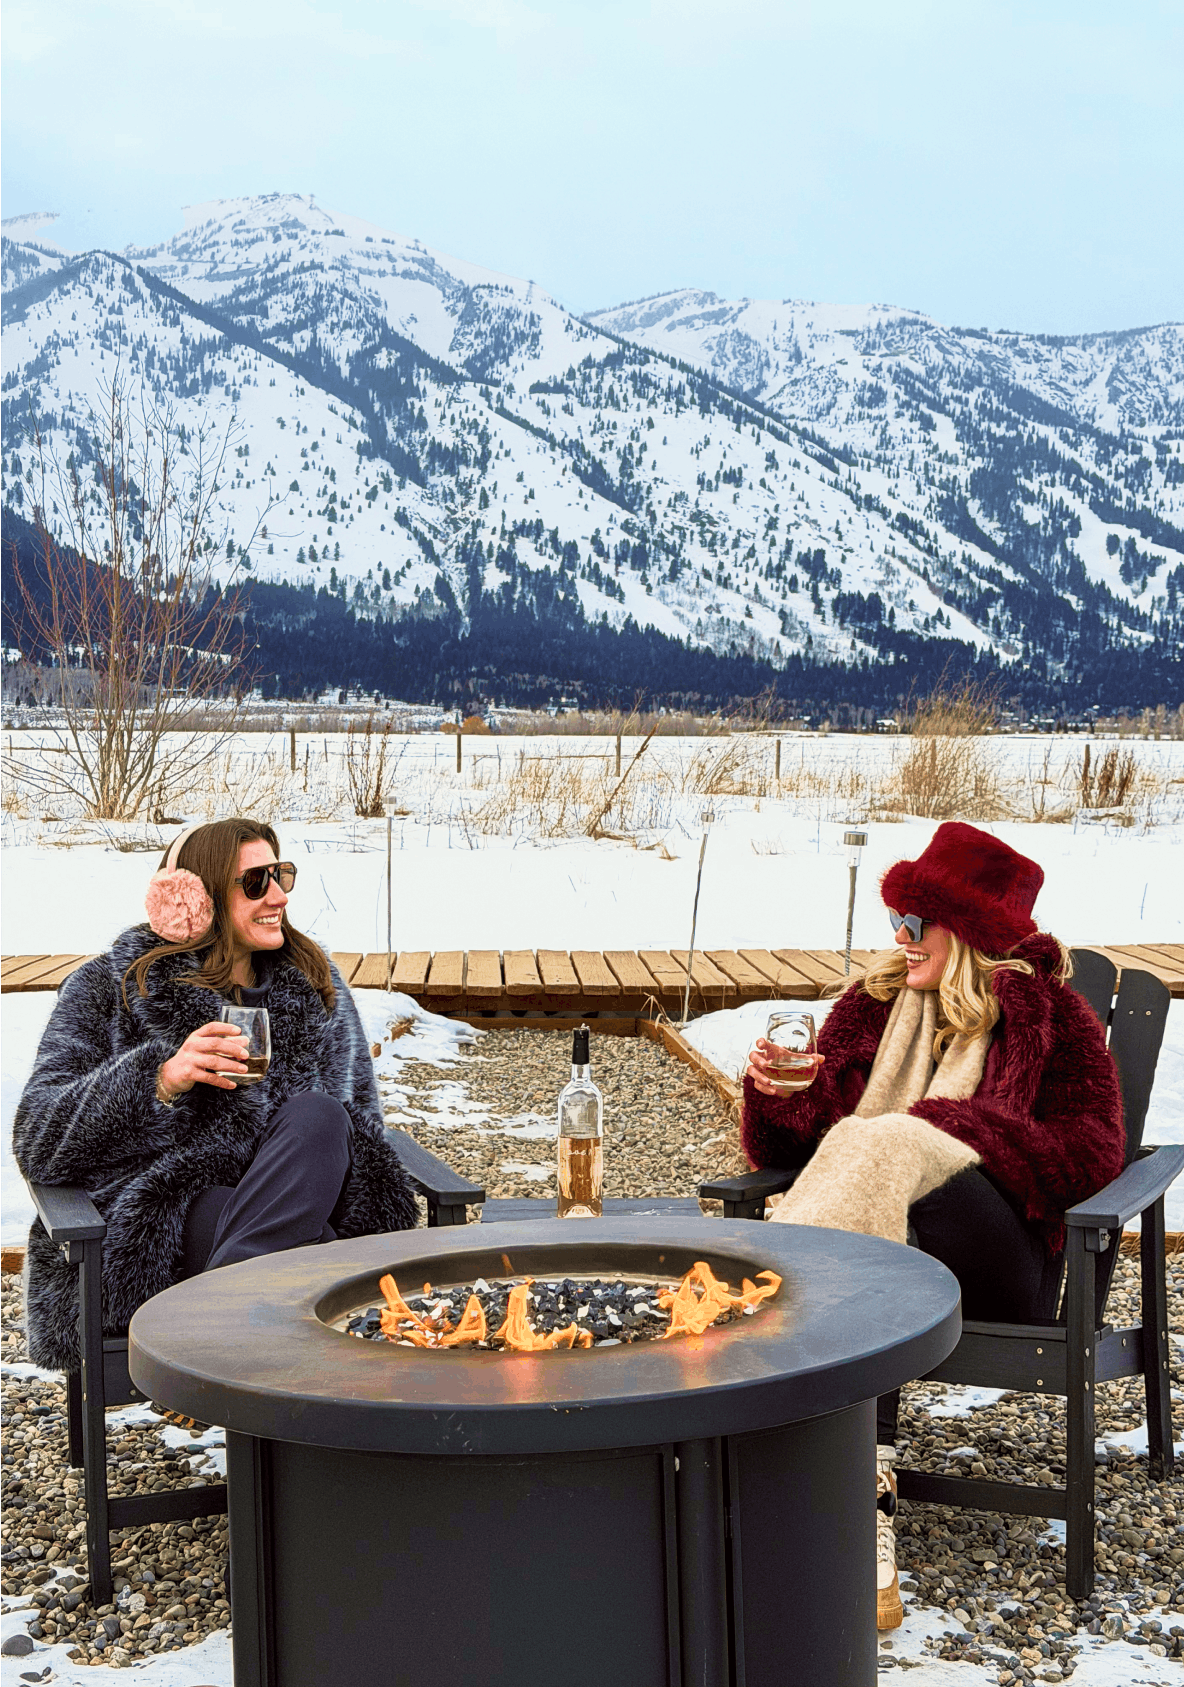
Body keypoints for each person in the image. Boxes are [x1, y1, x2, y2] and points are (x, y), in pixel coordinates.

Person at [742, 823, 1124, 1630]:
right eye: (897, 920)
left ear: (973, 933)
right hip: (887, 1242)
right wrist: (780, 1096)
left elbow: (1096, 1148)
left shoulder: (1050, 1017)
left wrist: (961, 1135)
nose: (898, 939)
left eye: (917, 924)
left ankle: (764, 1356)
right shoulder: (875, 1004)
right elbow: (801, 1144)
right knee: (865, 1151)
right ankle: (865, 1504)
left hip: (999, 1262)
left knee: (885, 1139)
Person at [14, 818, 418, 1381]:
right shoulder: (108, 988)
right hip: (167, 1217)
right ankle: (292, 1404)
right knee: (303, 1256)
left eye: (282, 876)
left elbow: (361, 1118)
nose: (277, 895)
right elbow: (39, 1138)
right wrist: (160, 1080)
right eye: (254, 882)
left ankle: (220, 1334)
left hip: (302, 1200)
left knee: (320, 1115)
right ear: (193, 897)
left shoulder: (313, 981)